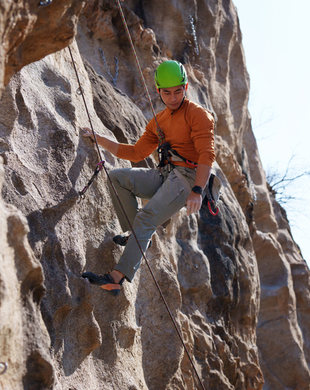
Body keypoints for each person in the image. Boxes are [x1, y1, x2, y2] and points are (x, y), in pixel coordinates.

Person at [81, 60, 215, 294]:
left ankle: (116, 278)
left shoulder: (198, 115)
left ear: (185, 88)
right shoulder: (158, 122)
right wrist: (99, 138)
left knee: (147, 218)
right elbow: (135, 152)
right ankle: (136, 235)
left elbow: (207, 154)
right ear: (158, 92)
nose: (173, 97)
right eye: (167, 93)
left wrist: (197, 191)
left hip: (188, 179)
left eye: (178, 91)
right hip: (166, 175)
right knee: (118, 178)